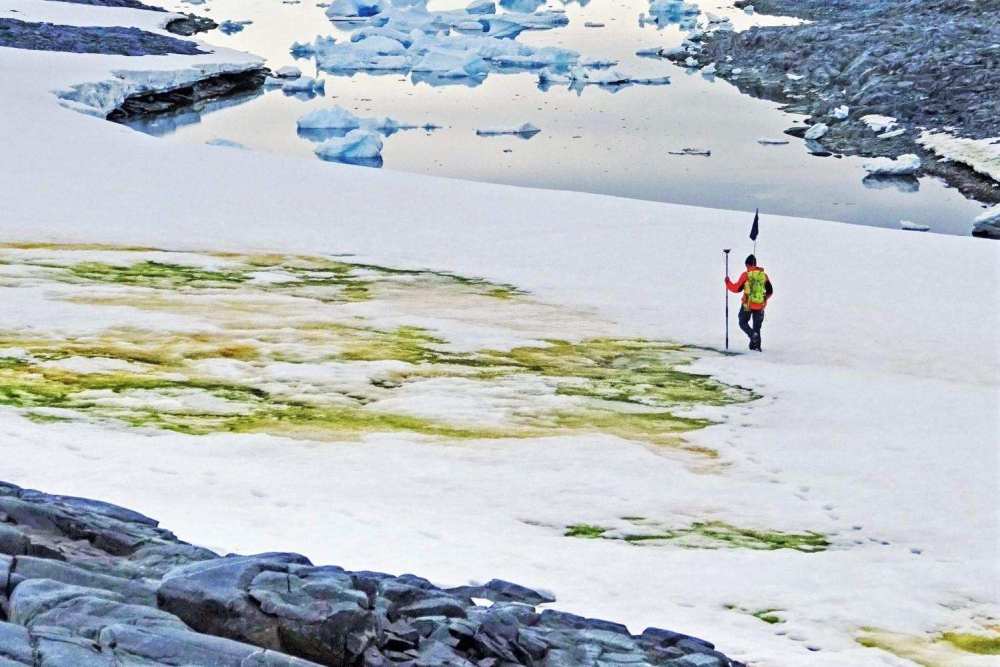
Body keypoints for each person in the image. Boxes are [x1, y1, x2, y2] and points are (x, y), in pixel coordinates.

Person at [725, 254, 773, 351]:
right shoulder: (764, 276)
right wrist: (764, 299)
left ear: (747, 264)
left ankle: (752, 335)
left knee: (742, 322)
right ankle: (756, 348)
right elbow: (770, 291)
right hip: (760, 306)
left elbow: (736, 289)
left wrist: (727, 282)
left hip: (747, 304)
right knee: (757, 327)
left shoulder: (746, 275)